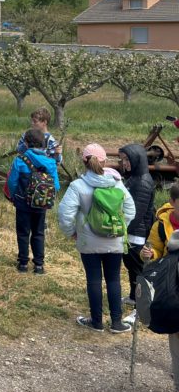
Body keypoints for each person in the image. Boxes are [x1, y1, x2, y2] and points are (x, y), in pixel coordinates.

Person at [57, 143, 136, 333]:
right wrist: (117, 227)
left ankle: (96, 321)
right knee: (114, 279)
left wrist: (71, 232)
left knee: (94, 280)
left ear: (84, 161)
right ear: (104, 161)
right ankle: (117, 323)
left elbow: (64, 214)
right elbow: (130, 210)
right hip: (114, 240)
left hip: (88, 240)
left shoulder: (78, 185)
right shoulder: (116, 182)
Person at [141, 203, 179, 392]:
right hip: (171, 289)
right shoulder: (162, 225)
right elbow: (153, 249)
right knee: (176, 344)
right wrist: (149, 254)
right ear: (174, 203)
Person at [8, 127, 60, 275]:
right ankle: (39, 265)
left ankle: (23, 263)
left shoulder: (20, 160)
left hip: (23, 203)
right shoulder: (50, 163)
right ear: (43, 143)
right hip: (41, 203)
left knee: (23, 232)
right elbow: (56, 185)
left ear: (25, 143)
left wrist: (13, 196)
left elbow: (12, 182)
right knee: (38, 232)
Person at [117, 143, 156, 305]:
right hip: (131, 232)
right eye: (122, 159)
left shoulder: (142, 182)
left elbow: (136, 215)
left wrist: (123, 232)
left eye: (127, 159)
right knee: (132, 269)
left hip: (135, 234)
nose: (124, 163)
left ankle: (142, 303)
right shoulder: (134, 178)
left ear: (137, 159)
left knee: (137, 269)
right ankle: (134, 297)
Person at [145, 182, 179, 262]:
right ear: (172, 202)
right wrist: (151, 253)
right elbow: (156, 249)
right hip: (171, 271)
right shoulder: (161, 225)